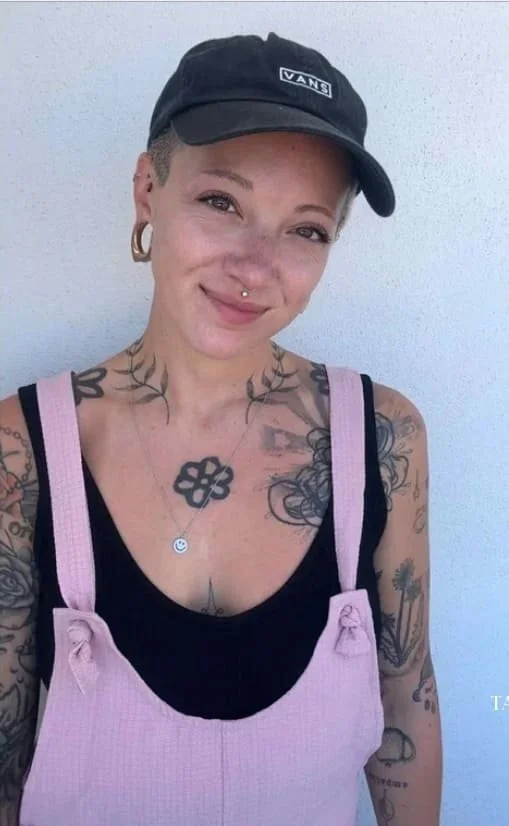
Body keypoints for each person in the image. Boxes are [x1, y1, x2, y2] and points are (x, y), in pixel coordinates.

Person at [0, 31, 442, 826]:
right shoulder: (21, 449)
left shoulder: (382, 439)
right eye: (221, 203)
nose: (254, 267)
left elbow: (405, 699)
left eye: (305, 229)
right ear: (148, 189)